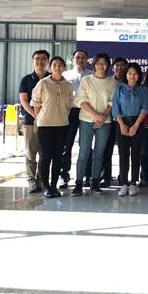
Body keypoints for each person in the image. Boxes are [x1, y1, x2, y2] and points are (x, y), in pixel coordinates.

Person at [72, 53, 117, 196]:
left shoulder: (112, 82)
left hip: (105, 122)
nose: (101, 65)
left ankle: (95, 182)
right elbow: (81, 100)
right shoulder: (86, 80)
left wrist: (102, 116)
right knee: (84, 153)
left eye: (104, 63)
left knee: (99, 153)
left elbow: (112, 102)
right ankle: (79, 183)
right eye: (98, 63)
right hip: (86, 121)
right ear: (94, 64)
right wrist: (97, 115)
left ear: (108, 65)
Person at [31, 56, 73, 198]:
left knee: (58, 157)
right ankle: (46, 186)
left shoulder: (68, 85)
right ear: (50, 67)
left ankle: (54, 185)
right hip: (45, 126)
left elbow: (69, 105)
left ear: (64, 68)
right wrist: (40, 118)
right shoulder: (43, 83)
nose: (57, 67)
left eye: (60, 65)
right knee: (45, 157)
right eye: (54, 65)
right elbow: (36, 104)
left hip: (62, 125)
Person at [112, 63, 148, 197]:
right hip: (121, 122)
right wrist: (122, 124)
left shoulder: (143, 89)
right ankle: (124, 183)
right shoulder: (119, 88)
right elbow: (115, 107)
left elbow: (145, 108)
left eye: (135, 73)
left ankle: (133, 183)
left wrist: (136, 125)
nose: (132, 76)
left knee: (136, 154)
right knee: (123, 154)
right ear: (126, 75)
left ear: (139, 75)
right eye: (129, 73)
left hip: (137, 123)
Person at [18, 49, 49, 193]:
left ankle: (41, 180)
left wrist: (43, 117)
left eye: (43, 58)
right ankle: (31, 181)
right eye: (37, 58)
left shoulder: (52, 78)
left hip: (48, 123)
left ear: (47, 61)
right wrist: (36, 115)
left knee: (45, 154)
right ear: (33, 61)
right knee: (31, 154)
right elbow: (24, 101)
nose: (40, 61)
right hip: (31, 122)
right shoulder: (26, 79)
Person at [60, 49, 91, 189]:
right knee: (67, 144)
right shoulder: (65, 75)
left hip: (87, 112)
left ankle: (87, 175)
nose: (80, 60)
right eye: (78, 57)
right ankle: (64, 175)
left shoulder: (92, 75)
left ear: (87, 60)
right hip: (70, 112)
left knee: (86, 145)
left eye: (83, 57)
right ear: (73, 60)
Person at [100, 56, 128, 188]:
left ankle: (123, 177)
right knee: (107, 149)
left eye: (122, 65)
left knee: (124, 151)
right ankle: (106, 177)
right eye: (117, 65)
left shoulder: (130, 82)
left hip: (125, 120)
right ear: (113, 68)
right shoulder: (108, 82)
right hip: (108, 120)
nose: (119, 68)